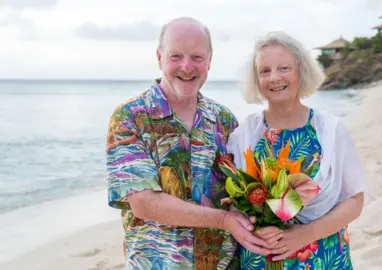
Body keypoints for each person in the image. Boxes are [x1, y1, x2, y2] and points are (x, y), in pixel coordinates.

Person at [105, 17, 271, 270]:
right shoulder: (130, 118)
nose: (186, 66)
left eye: (196, 57)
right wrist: (224, 220)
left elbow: (244, 191)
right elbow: (144, 203)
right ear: (160, 58)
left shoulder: (224, 120)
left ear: (209, 61)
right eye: (176, 56)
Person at [226, 31, 367, 269]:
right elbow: (234, 202)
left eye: (284, 68)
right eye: (264, 71)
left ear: (301, 72)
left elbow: (354, 200)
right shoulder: (243, 135)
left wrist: (305, 234)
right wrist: (253, 226)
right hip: (262, 256)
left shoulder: (331, 130)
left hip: (323, 255)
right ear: (256, 80)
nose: (274, 78)